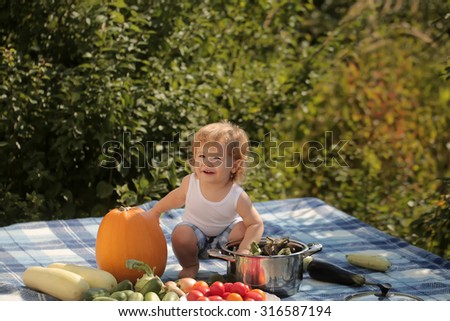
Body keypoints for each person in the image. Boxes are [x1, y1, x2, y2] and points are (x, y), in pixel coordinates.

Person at [146, 121, 264, 278]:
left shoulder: (237, 195)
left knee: (243, 228)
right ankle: (191, 265)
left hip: (226, 243)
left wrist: (245, 250)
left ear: (235, 166)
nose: (207, 162)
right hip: (195, 238)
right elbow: (176, 197)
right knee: (181, 233)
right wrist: (156, 211)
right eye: (202, 156)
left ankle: (236, 266)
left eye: (217, 158)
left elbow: (256, 224)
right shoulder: (191, 183)